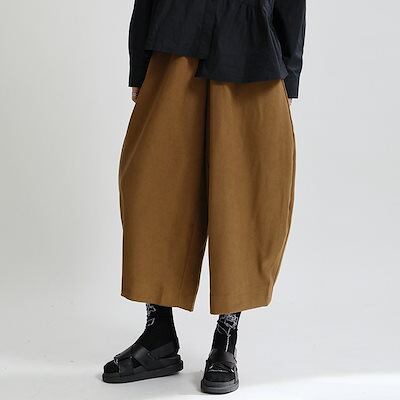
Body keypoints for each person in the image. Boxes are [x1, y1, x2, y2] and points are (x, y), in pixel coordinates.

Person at [102, 0, 306, 394]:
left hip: (253, 56)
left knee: (244, 198)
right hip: (174, 45)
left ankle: (226, 338)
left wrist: (290, 75)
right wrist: (140, 66)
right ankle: (159, 335)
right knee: (153, 189)